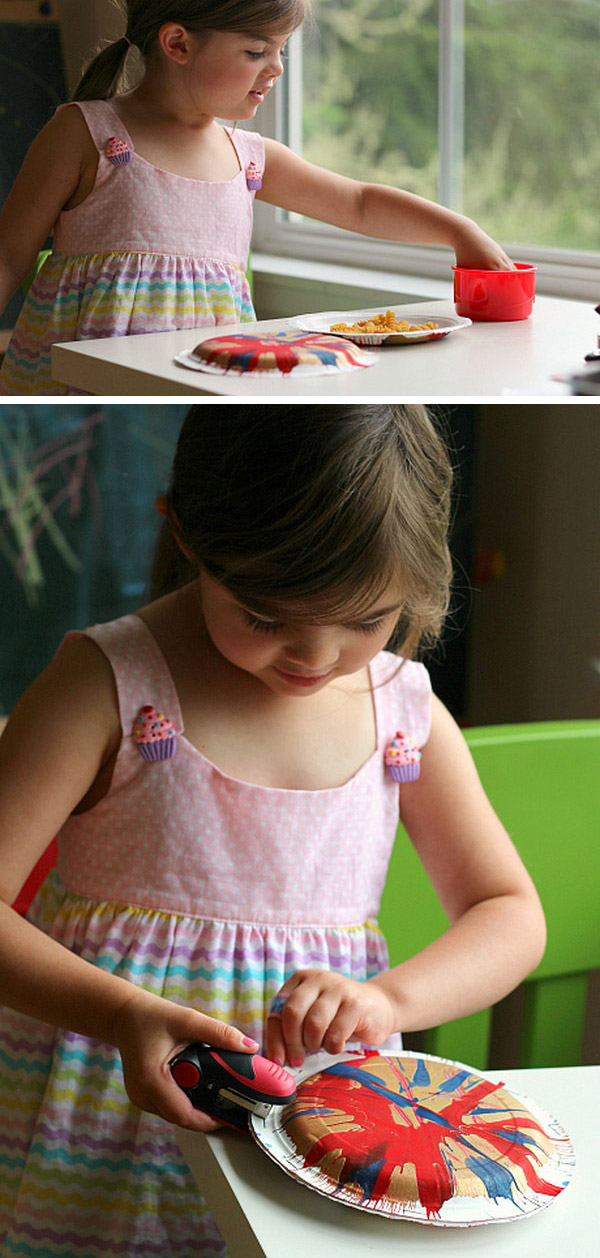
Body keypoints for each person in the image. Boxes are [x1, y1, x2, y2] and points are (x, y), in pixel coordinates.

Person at [0, 403, 545, 1254]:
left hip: (317, 1131)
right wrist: (122, 1015)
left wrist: (389, 998)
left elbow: (509, 911)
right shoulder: (108, 682)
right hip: (107, 1126)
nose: (316, 658)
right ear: (183, 532)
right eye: (265, 616)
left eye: (367, 622)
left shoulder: (403, 710)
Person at [0, 0, 514, 395]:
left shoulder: (248, 156)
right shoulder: (87, 133)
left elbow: (358, 202)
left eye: (280, 51)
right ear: (178, 44)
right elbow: (9, 256)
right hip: (78, 387)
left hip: (203, 383)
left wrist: (460, 232)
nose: (277, 69)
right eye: (256, 51)